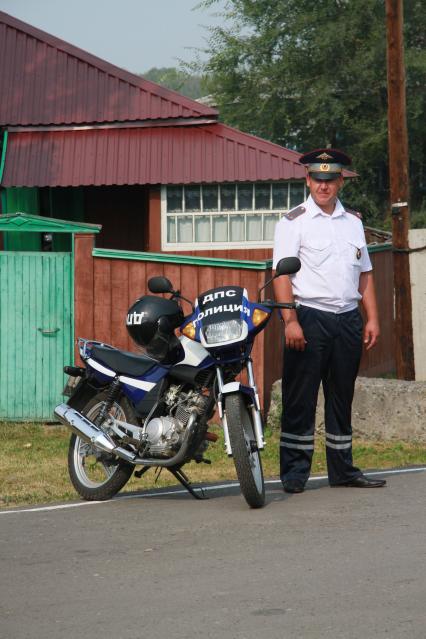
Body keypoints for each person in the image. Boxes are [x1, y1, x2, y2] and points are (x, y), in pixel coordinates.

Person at [272, 148, 386, 493]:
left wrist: (373, 319)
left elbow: (364, 273)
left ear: (340, 181)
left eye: (330, 180)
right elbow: (280, 275)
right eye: (317, 179)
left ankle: (342, 470)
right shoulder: (293, 222)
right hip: (309, 317)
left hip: (347, 319)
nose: (324, 186)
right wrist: (290, 321)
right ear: (308, 180)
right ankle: (294, 473)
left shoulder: (353, 222)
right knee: (300, 397)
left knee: (341, 396)